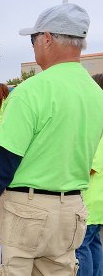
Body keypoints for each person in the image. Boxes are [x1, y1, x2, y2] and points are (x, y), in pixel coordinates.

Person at [0, 3, 103, 275]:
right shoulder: (95, 93)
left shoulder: (31, 91)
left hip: (25, 211)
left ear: (47, 38)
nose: (33, 46)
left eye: (33, 39)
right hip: (72, 210)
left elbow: (0, 167)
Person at [75, 73, 103, 276]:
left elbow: (92, 164)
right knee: (93, 243)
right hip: (97, 201)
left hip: (92, 199)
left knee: (81, 246)